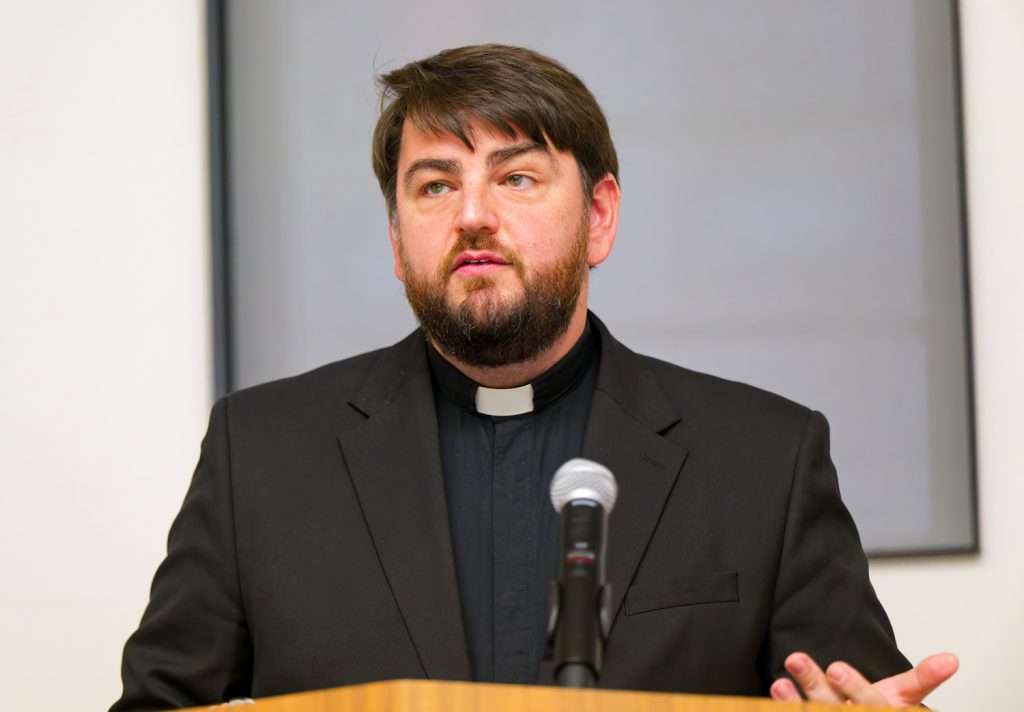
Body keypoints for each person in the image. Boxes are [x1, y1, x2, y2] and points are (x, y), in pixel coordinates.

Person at [112, 44, 957, 710]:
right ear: (397, 240)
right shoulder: (262, 455)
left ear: (599, 217)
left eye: (516, 178)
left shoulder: (765, 459)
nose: (473, 214)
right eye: (434, 186)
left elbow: (854, 695)